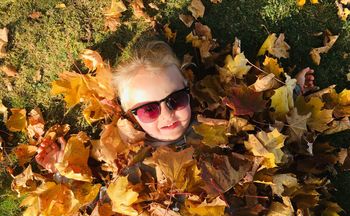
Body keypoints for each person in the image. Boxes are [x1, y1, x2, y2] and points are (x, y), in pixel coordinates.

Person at [112, 40, 315, 146]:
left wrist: (293, 90)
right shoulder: (135, 164)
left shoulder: (214, 118)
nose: (167, 114)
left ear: (187, 88)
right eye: (149, 110)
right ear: (132, 114)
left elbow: (265, 119)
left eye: (176, 99)